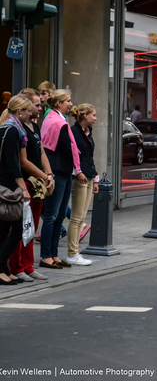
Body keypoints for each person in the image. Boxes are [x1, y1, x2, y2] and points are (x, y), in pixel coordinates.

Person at [8, 89, 53, 281]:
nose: (40, 108)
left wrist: (49, 174)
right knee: (21, 227)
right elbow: (23, 161)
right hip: (25, 182)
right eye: (37, 105)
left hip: (36, 183)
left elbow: (42, 153)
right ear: (24, 108)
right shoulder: (18, 128)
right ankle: (17, 266)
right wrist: (43, 175)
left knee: (31, 227)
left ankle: (28, 266)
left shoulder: (34, 127)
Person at [40, 90, 81, 270]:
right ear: (59, 103)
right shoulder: (57, 121)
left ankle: (54, 254)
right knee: (52, 215)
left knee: (58, 215)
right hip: (59, 171)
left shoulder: (55, 119)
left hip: (62, 171)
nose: (71, 104)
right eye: (68, 101)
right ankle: (46, 256)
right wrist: (78, 169)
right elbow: (67, 147)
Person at [0, 95, 33, 285]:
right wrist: (23, 188)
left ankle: (4, 270)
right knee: (18, 228)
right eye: (28, 110)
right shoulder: (12, 131)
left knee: (4, 229)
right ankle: (0, 268)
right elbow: (13, 164)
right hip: (9, 186)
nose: (30, 114)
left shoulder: (6, 128)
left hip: (4, 185)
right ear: (20, 111)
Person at [68, 104, 99, 266]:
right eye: (93, 115)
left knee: (81, 217)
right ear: (85, 116)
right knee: (77, 217)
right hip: (79, 177)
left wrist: (95, 179)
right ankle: (72, 253)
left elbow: (89, 157)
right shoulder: (73, 132)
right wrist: (77, 171)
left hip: (87, 176)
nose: (95, 118)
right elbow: (72, 155)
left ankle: (74, 253)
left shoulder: (88, 133)